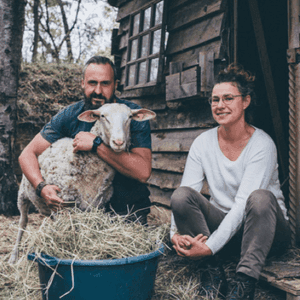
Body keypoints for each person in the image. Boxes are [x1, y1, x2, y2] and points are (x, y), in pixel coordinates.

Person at [170, 64, 291, 299]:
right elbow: (186, 192)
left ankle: (244, 282)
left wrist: (209, 246)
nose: (220, 105)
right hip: (225, 230)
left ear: (245, 101)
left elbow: (242, 204)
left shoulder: (262, 145)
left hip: (266, 232)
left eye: (228, 98)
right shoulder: (203, 143)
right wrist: (174, 234)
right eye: (215, 100)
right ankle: (212, 272)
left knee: (260, 197)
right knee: (181, 196)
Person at [18, 55, 152, 224]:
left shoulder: (129, 113)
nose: (98, 91)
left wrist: (96, 145)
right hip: (81, 212)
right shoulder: (71, 115)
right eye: (92, 83)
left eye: (105, 83)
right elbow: (27, 154)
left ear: (115, 85)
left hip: (126, 211)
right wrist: (41, 187)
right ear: (82, 83)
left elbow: (143, 172)